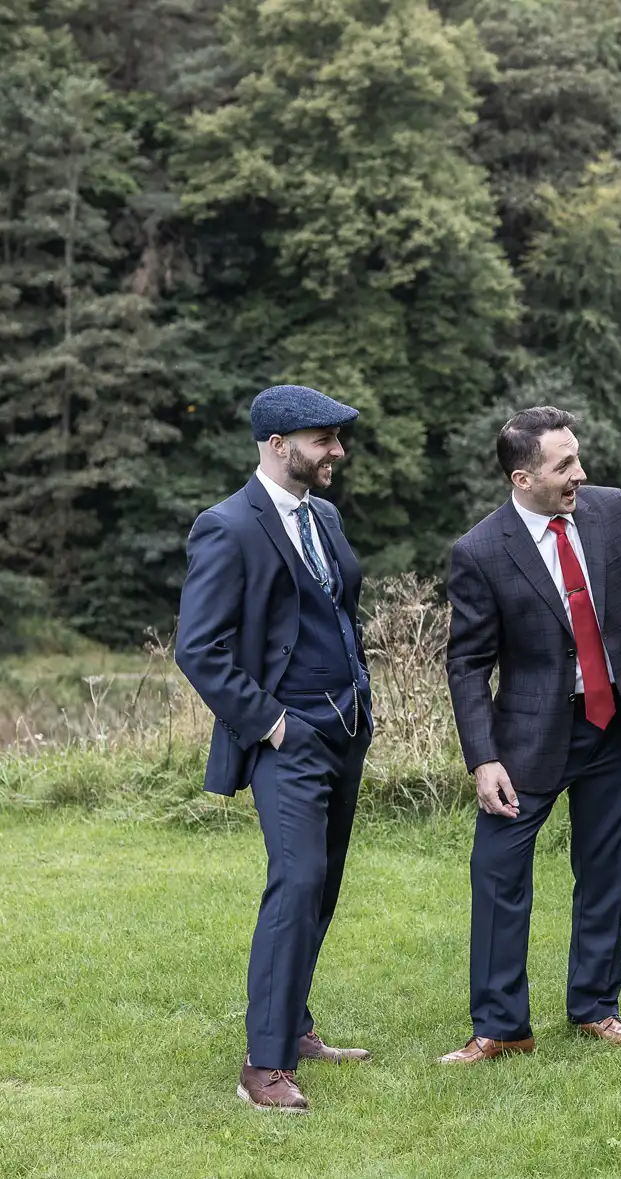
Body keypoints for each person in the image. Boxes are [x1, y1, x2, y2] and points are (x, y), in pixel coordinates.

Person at [440, 407, 621, 1065]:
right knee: (498, 873)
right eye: (564, 466)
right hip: (525, 738)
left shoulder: (612, 511)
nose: (579, 474)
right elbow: (467, 663)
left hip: (615, 724)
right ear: (522, 477)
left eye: (578, 458)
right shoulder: (479, 550)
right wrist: (483, 757)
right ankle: (502, 1027)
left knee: (605, 869)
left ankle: (596, 1008)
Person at [176, 385, 375, 1113]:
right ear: (278, 443)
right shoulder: (226, 526)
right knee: (294, 883)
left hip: (346, 728)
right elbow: (198, 648)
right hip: (286, 739)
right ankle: (262, 1066)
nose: (337, 453)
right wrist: (273, 723)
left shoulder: (323, 515)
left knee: (320, 886)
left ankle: (294, 1023)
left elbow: (337, 611)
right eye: (324, 439)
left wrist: (359, 697)